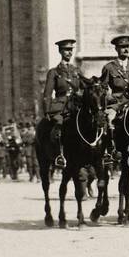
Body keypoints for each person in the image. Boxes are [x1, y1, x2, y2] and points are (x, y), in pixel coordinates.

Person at [42, 37, 81, 168]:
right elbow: (47, 94)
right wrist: (47, 111)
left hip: (75, 106)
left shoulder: (76, 71)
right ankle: (60, 155)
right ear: (60, 51)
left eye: (71, 50)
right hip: (61, 107)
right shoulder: (54, 72)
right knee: (59, 125)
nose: (69, 52)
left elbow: (83, 88)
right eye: (66, 50)